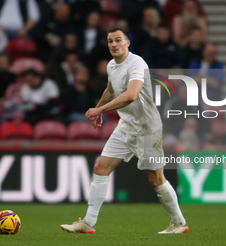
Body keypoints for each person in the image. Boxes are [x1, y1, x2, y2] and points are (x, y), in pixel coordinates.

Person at [61, 27, 188, 234]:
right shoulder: (112, 65)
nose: (113, 44)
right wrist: (98, 111)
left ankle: (179, 223)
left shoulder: (137, 63)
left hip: (147, 129)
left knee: (156, 179)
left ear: (127, 43)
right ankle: (88, 222)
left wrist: (100, 109)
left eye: (118, 40)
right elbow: (111, 90)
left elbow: (131, 95)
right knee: (100, 168)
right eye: (110, 41)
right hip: (126, 126)